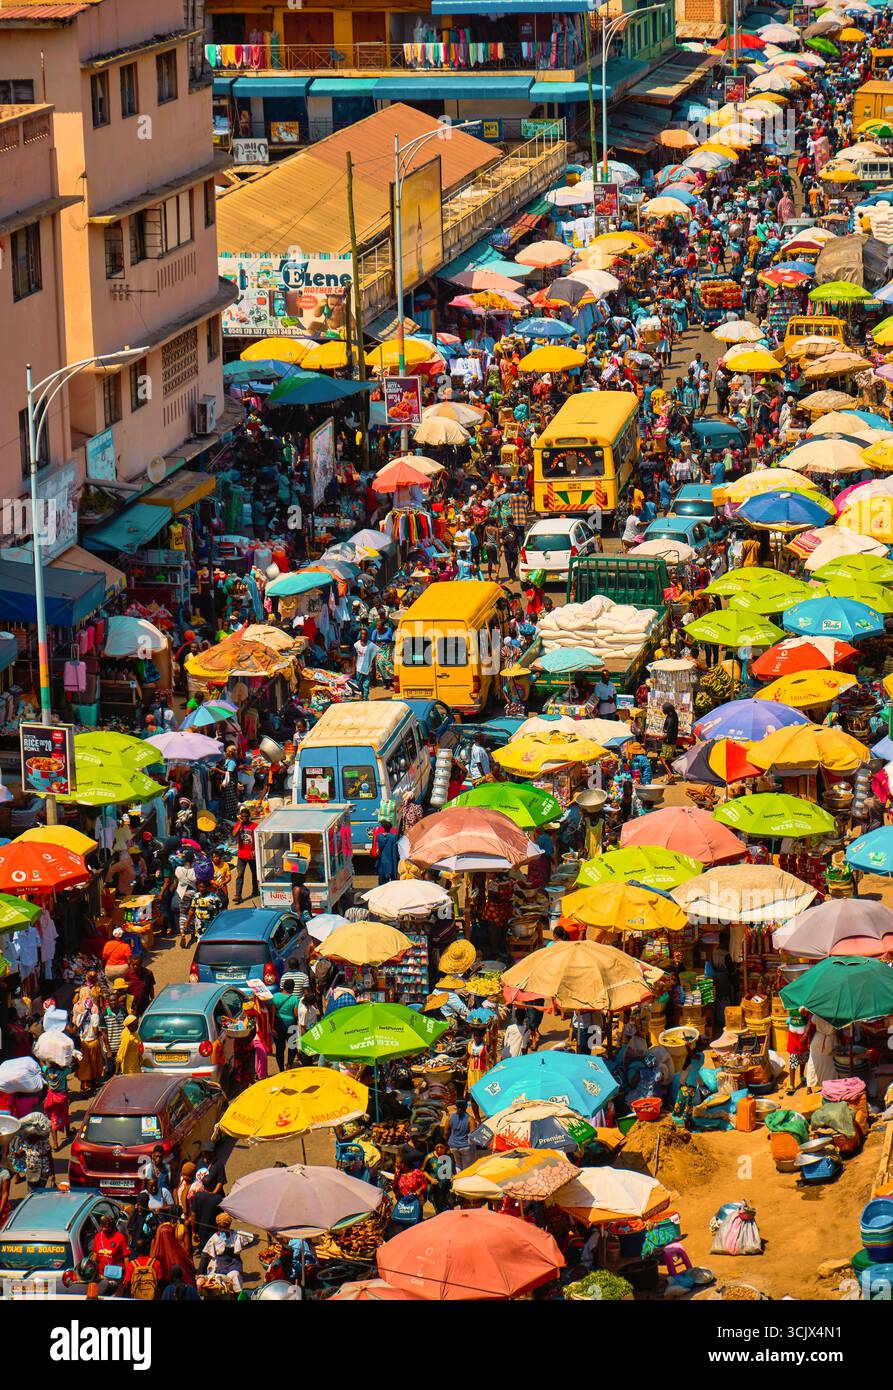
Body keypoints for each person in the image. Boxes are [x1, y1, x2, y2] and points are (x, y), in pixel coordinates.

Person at [233, 807, 259, 903]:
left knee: (254, 874)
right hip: (241, 855)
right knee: (240, 875)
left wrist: (256, 850)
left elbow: (257, 839)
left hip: (252, 855)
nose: (244, 818)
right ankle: (238, 895)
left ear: (249, 817)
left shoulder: (254, 826)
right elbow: (234, 834)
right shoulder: (238, 825)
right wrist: (240, 823)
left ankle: (255, 891)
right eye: (242, 817)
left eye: (246, 817)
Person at [422, 1142, 455, 1215]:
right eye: (437, 1147)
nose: (439, 1149)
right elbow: (424, 1171)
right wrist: (431, 1179)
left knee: (448, 1206)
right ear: (434, 1148)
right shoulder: (429, 1157)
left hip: (446, 1186)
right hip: (435, 1186)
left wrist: (452, 1177)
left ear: (445, 1148)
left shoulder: (449, 1156)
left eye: (441, 1147)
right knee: (438, 1207)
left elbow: (452, 1171)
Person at [446, 1097, 474, 1172]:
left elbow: (446, 1132)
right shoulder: (470, 1119)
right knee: (467, 1167)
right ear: (466, 1107)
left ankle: (458, 1181)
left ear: (456, 1106)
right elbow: (472, 1134)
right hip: (465, 1146)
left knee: (458, 1164)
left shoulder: (450, 1117)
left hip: (453, 1146)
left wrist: (447, 1143)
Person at [372, 819, 400, 884]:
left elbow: (377, 851)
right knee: (394, 882)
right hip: (392, 861)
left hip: (382, 862)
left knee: (382, 882)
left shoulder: (379, 837)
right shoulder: (394, 837)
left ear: (383, 828)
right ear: (390, 828)